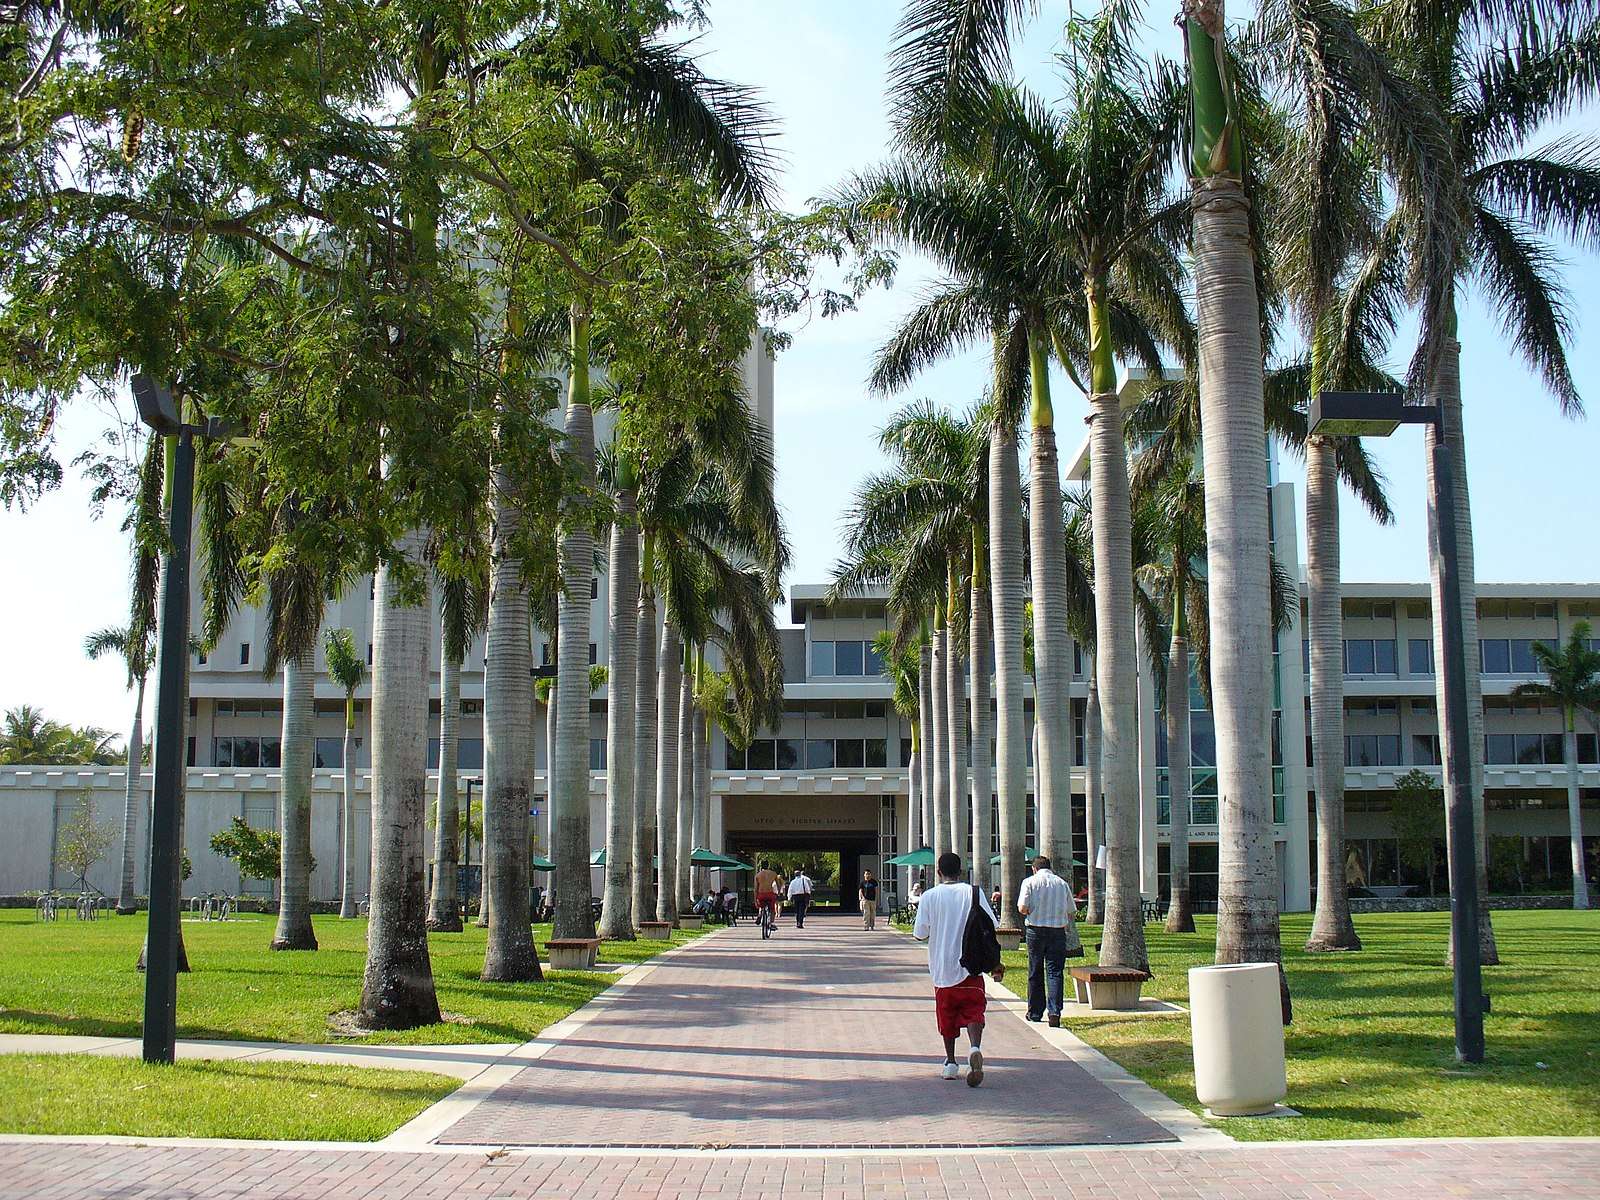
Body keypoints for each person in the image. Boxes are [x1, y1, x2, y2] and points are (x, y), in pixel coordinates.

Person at [913, 851, 1003, 1086]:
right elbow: (992, 924)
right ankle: (974, 1048)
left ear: (938, 872)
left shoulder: (929, 896)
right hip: (971, 964)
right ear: (961, 871)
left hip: (942, 968)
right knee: (974, 1010)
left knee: (947, 1017)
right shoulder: (973, 893)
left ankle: (951, 1062)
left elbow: (920, 933)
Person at [1018, 853, 1076, 1027]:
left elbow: (1022, 907)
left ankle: (1035, 1012)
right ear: (1050, 868)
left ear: (1034, 868)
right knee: (1055, 971)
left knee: (1035, 970)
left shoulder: (1029, 882)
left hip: (1035, 930)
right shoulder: (1061, 883)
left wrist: (1030, 911)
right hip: (1057, 932)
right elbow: (1071, 910)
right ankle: (1054, 1011)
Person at [753, 861, 781, 932]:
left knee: (761, 905)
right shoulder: (773, 873)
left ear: (761, 866)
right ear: (768, 865)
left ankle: (760, 914)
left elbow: (755, 889)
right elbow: (778, 885)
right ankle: (771, 923)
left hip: (761, 894)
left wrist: (755, 900)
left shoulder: (758, 875)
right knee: (772, 910)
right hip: (770, 894)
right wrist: (778, 893)